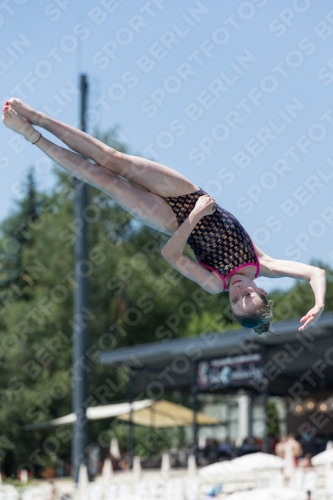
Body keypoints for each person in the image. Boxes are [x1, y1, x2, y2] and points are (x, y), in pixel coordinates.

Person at [2, 99, 326, 336]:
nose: (238, 292)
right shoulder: (263, 263)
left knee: (103, 179)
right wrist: (319, 303)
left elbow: (170, 253)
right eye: (247, 296)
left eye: (235, 301)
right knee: (112, 159)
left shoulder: (215, 283)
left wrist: (196, 216)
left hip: (170, 220)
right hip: (185, 193)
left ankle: (30, 134)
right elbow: (315, 272)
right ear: (263, 291)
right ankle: (37, 117)